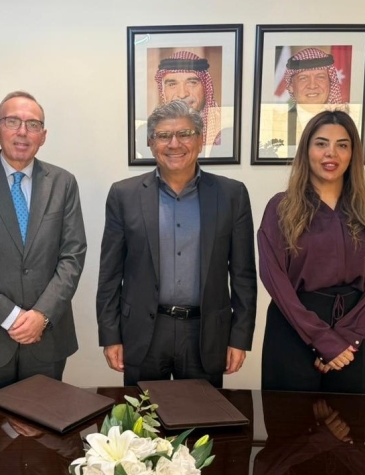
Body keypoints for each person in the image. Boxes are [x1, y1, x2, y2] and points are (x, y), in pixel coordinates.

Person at [97, 100, 257, 387]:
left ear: (200, 140)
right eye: (163, 136)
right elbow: (110, 274)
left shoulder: (231, 195)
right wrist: (110, 335)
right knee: (142, 415)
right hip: (143, 332)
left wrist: (239, 337)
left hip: (206, 333)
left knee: (202, 415)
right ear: (150, 143)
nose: (174, 144)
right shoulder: (124, 195)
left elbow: (243, 275)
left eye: (184, 134)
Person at [0, 91, 86, 390]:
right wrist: (10, 317)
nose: (23, 131)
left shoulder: (63, 183)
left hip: (47, 338)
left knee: (44, 418)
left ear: (43, 136)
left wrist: (41, 315)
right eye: (12, 122)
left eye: (33, 124)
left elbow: (72, 256)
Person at [257, 110, 365, 394]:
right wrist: (323, 340)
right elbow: (275, 280)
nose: (331, 153)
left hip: (355, 335)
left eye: (342, 145)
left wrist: (345, 339)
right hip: (293, 331)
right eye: (321, 143)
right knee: (290, 420)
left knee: (349, 420)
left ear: (352, 154)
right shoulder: (281, 208)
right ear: (306, 150)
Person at [272, 47, 346, 149]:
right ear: (291, 86)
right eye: (303, 78)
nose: (312, 85)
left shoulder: (345, 125)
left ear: (330, 83)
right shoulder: (276, 126)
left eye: (320, 77)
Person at [154, 50, 222, 147]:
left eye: (192, 83)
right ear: (163, 91)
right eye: (172, 84)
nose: (182, 95)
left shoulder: (223, 130)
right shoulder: (152, 131)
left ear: (205, 87)